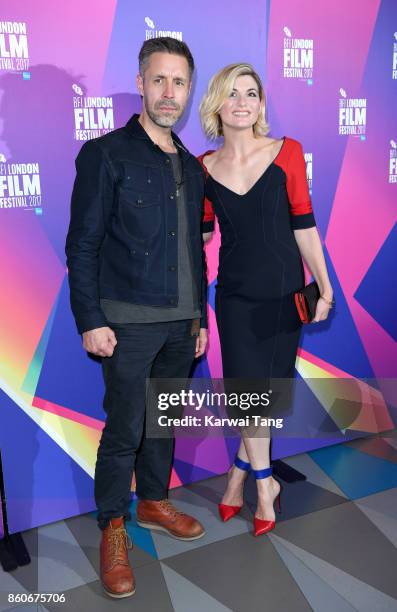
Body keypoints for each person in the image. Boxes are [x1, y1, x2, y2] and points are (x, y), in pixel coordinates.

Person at [65, 37, 209, 599]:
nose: (168, 93)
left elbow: (196, 253)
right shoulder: (105, 154)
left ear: (188, 90)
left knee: (163, 421)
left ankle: (152, 501)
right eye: (159, 80)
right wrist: (90, 317)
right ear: (141, 82)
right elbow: (83, 245)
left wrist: (198, 320)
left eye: (179, 83)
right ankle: (113, 526)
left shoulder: (191, 166)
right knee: (125, 427)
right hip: (125, 324)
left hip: (181, 323)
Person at [198, 63, 334, 537]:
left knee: (263, 398)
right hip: (234, 300)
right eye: (232, 93)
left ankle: (238, 478)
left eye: (251, 93)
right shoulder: (203, 168)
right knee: (247, 399)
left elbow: (305, 225)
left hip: (283, 297)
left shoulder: (287, 153)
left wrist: (326, 285)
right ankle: (263, 485)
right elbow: (199, 237)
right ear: (217, 103)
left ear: (260, 104)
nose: (242, 102)